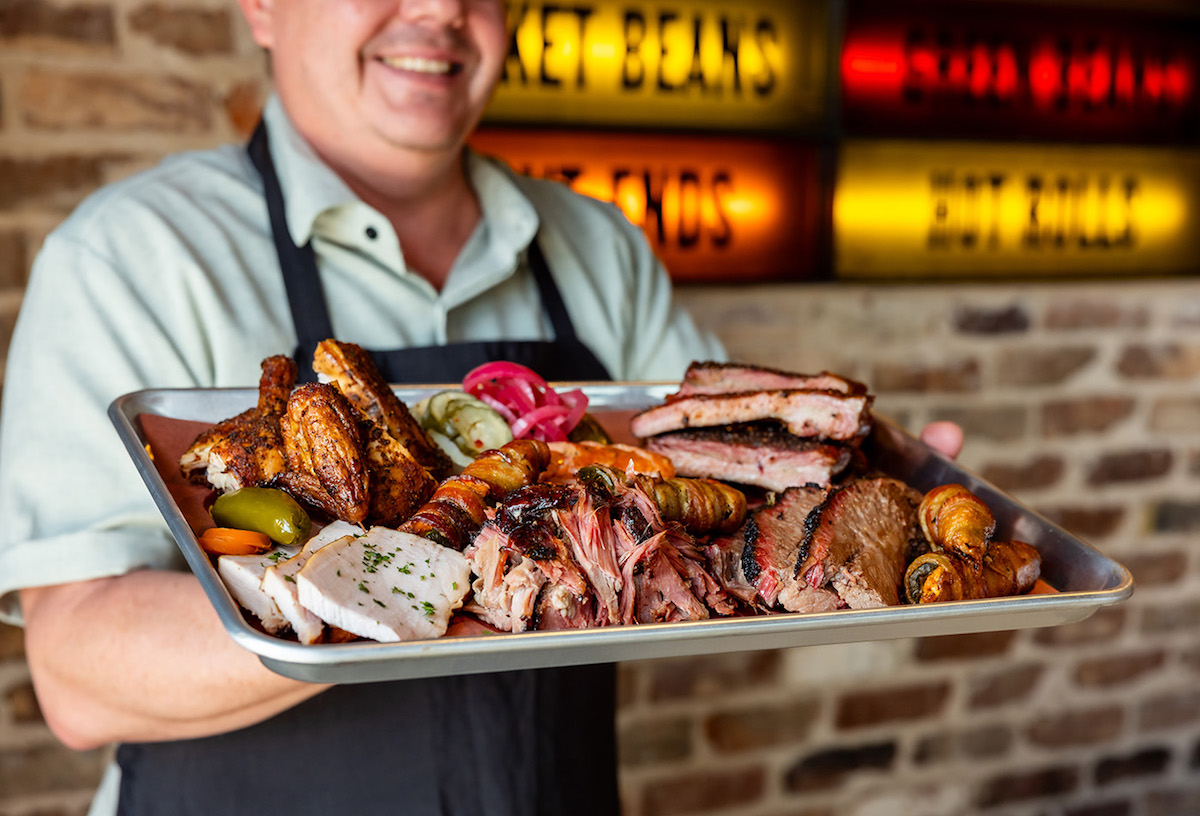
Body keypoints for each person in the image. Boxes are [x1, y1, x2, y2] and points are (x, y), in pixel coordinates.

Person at [0, 1, 963, 814]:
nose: (440, 10)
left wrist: (872, 519)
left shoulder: (597, 247)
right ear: (259, 5)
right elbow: (79, 675)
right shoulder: (134, 254)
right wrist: (403, 601)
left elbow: (716, 499)